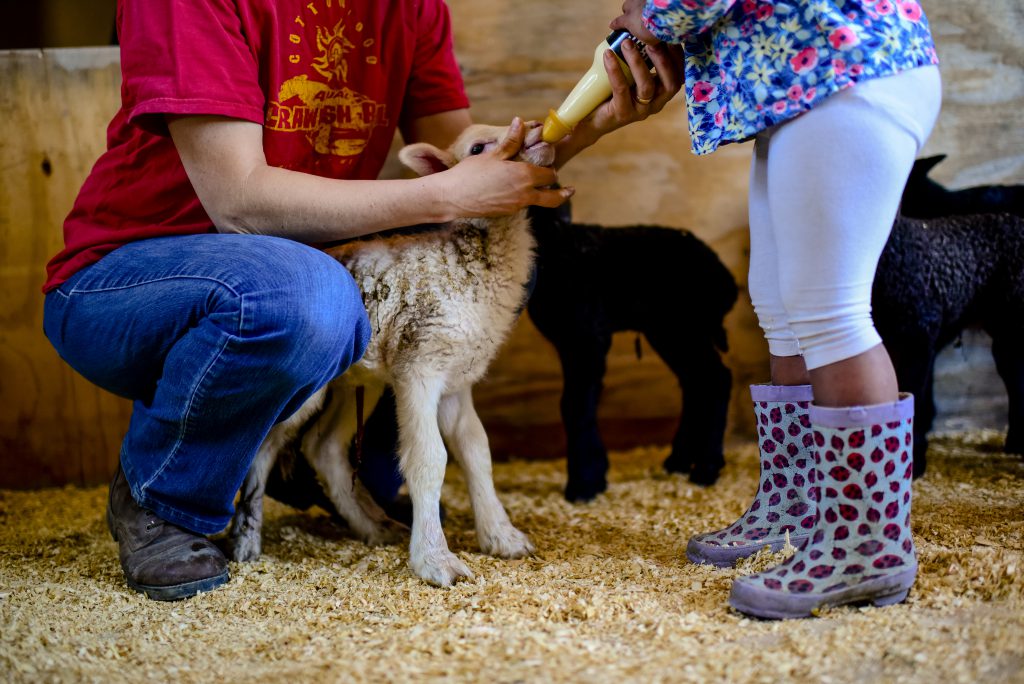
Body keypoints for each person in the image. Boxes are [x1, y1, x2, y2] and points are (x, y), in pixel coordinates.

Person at [42, 0, 683, 601]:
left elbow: (465, 157)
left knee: (496, 264)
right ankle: (163, 496)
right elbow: (238, 202)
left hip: (307, 273)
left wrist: (593, 123)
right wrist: (454, 196)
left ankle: (309, 452)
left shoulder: (408, 6)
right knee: (305, 296)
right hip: (126, 280)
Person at [610, 0, 941, 618]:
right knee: (784, 307)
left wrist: (651, 14)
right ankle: (801, 506)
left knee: (830, 312)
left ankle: (868, 549)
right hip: (808, 77)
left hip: (843, 66)